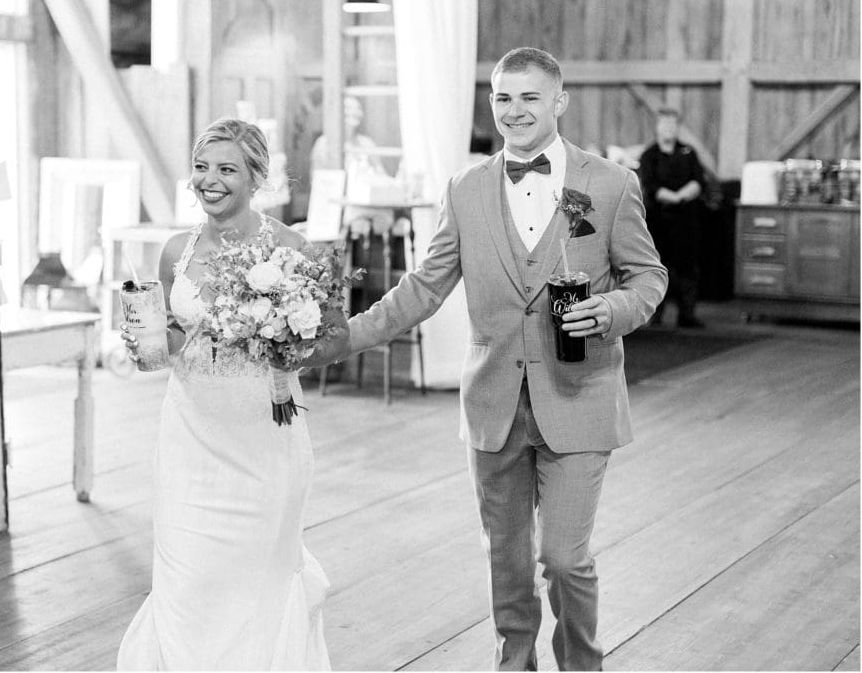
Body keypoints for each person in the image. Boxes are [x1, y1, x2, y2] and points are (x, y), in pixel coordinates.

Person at [339, 48, 667, 671]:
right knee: (506, 560)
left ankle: (582, 665)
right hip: (494, 405)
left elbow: (649, 277)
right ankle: (513, 663)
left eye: (529, 98)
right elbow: (424, 288)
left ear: (559, 102)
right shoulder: (464, 189)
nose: (514, 111)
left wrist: (612, 309)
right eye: (502, 98)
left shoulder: (610, 183)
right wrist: (343, 337)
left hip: (580, 396)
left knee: (565, 558)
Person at [116, 118, 347, 670]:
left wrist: (287, 339)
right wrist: (147, 342)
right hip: (189, 438)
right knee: (186, 574)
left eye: (227, 169)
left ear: (256, 178)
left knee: (255, 578)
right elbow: (177, 336)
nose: (209, 180)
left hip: (264, 438)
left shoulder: (293, 248)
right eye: (201, 167)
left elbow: (336, 336)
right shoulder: (176, 251)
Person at [637, 108, 706, 328]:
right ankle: (656, 314)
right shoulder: (649, 155)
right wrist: (672, 198)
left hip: (686, 221)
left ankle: (687, 314)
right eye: (665, 124)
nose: (669, 128)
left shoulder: (689, 152)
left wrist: (681, 196)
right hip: (659, 221)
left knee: (688, 269)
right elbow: (650, 186)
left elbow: (698, 181)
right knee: (658, 267)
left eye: (673, 124)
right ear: (657, 127)